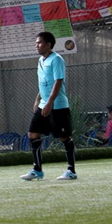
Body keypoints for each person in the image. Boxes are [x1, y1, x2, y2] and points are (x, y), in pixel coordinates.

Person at [21, 31, 78, 181]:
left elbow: (58, 82)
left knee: (64, 137)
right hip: (43, 104)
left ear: (48, 44)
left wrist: (50, 102)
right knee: (33, 134)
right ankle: (37, 170)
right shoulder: (40, 60)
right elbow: (44, 83)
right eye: (36, 43)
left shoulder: (57, 59)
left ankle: (71, 171)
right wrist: (38, 100)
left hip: (58, 106)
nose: (37, 46)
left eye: (39, 43)